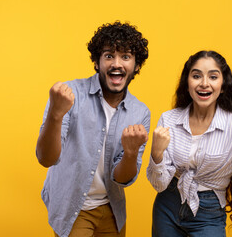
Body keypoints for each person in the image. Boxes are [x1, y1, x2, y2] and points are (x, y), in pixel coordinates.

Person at [147, 50, 232, 237]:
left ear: (223, 85)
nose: (204, 83)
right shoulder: (169, 119)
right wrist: (156, 154)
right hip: (168, 205)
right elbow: (159, 184)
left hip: (209, 211)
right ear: (187, 83)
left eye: (213, 76)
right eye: (196, 76)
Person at [36, 21, 150, 237]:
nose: (117, 63)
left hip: (112, 209)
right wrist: (55, 114)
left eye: (125, 57)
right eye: (109, 55)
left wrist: (131, 152)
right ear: (97, 62)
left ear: (136, 66)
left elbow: (122, 179)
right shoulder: (70, 95)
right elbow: (46, 159)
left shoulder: (140, 112)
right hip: (73, 206)